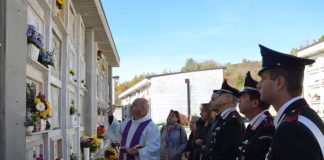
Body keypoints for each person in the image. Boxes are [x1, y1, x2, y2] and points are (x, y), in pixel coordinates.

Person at [257, 44, 324, 160]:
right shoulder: (301, 116)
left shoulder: (292, 129)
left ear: (279, 83)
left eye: (263, 78)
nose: (258, 85)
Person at [236, 71, 275, 160]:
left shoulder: (266, 128)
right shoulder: (255, 125)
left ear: (255, 103)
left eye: (243, 96)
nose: (239, 100)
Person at [203, 79, 245, 160]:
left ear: (228, 99)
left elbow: (228, 155)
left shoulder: (233, 121)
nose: (212, 100)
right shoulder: (222, 118)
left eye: (219, 94)